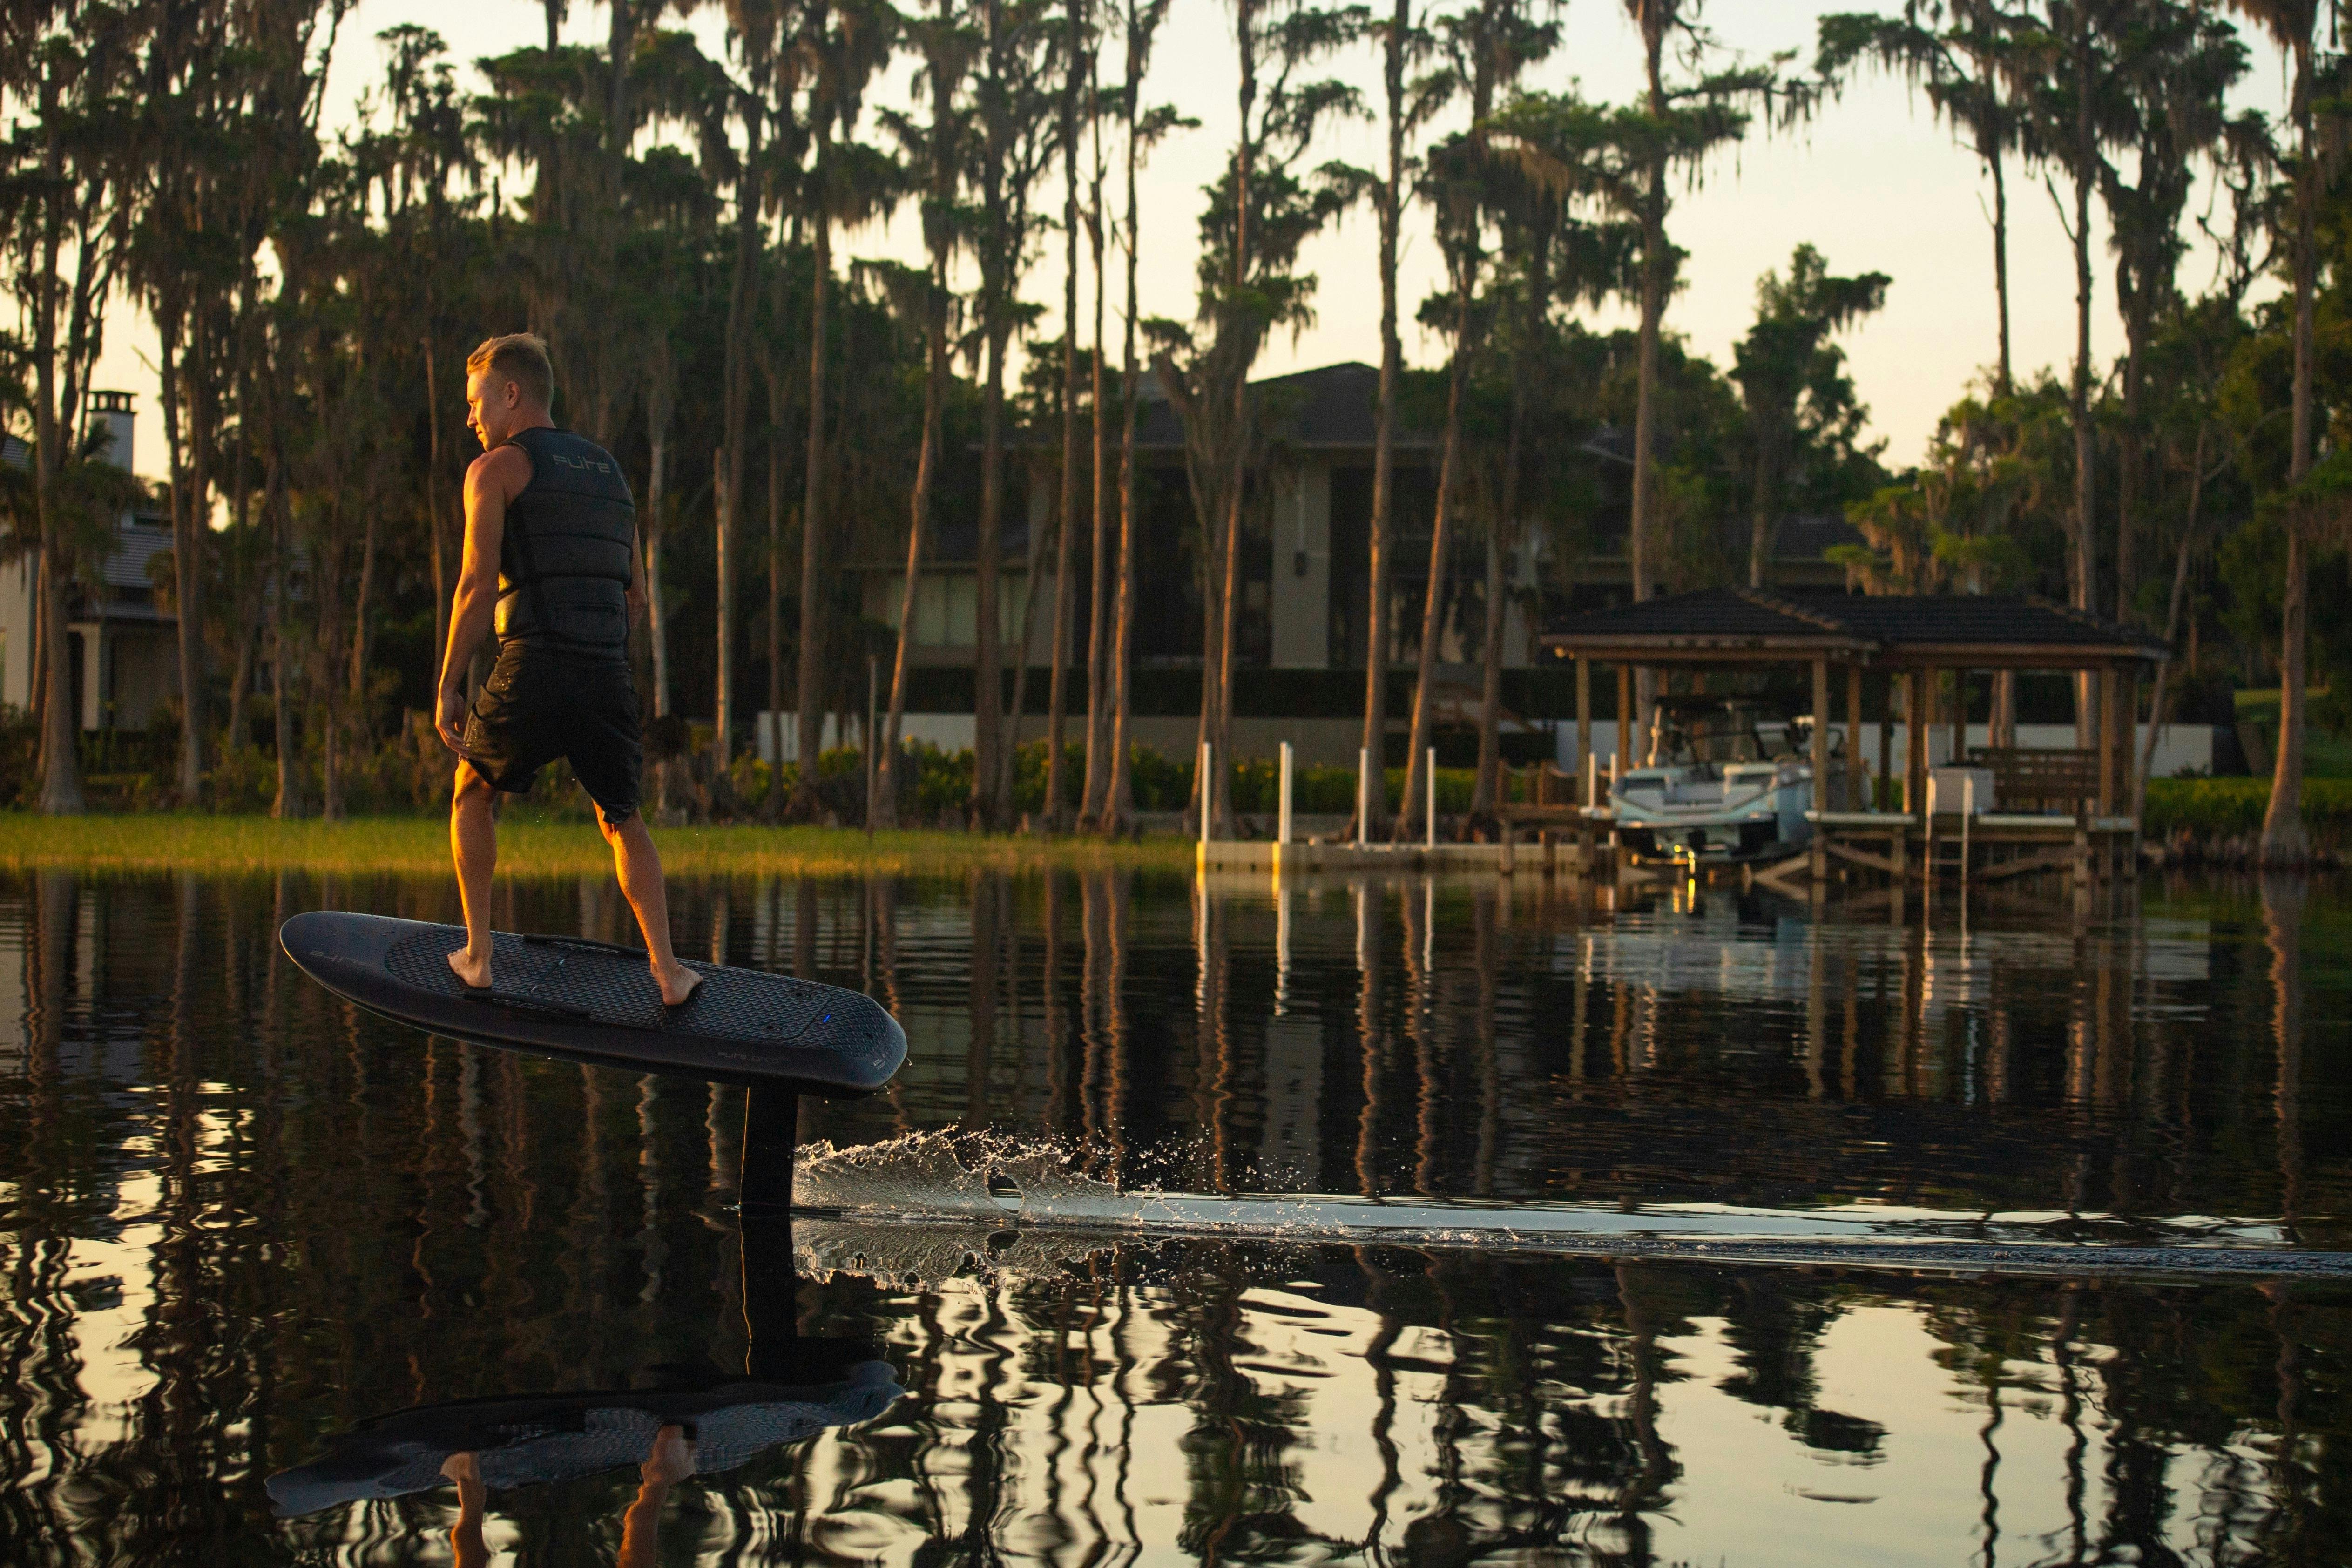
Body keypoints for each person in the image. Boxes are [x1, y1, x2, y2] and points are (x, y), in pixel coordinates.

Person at [434, 332, 700, 1006]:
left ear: (512, 394)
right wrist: (594, 649)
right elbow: (636, 597)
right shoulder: (611, 474)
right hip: (606, 672)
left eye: (476, 402)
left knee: (472, 793)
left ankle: (477, 955)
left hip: (533, 662)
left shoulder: (495, 470)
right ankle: (668, 974)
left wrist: (449, 685)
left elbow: (474, 587)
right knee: (622, 818)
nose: (471, 418)